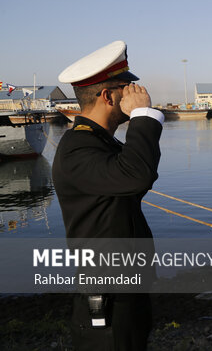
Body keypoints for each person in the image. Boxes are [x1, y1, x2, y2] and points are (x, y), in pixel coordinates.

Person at [52, 40, 164, 350]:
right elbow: (137, 174)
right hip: (107, 299)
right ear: (108, 96)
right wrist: (143, 114)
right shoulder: (78, 148)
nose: (134, 93)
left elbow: (136, 177)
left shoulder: (99, 143)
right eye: (127, 89)